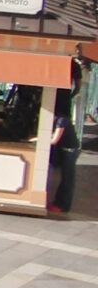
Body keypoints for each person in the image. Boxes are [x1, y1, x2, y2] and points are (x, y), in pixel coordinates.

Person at [49, 65, 82, 213]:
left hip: (69, 149)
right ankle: (59, 202)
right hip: (68, 147)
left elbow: (54, 139)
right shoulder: (61, 116)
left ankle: (62, 204)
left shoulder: (62, 119)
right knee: (65, 175)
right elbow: (78, 86)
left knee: (68, 176)